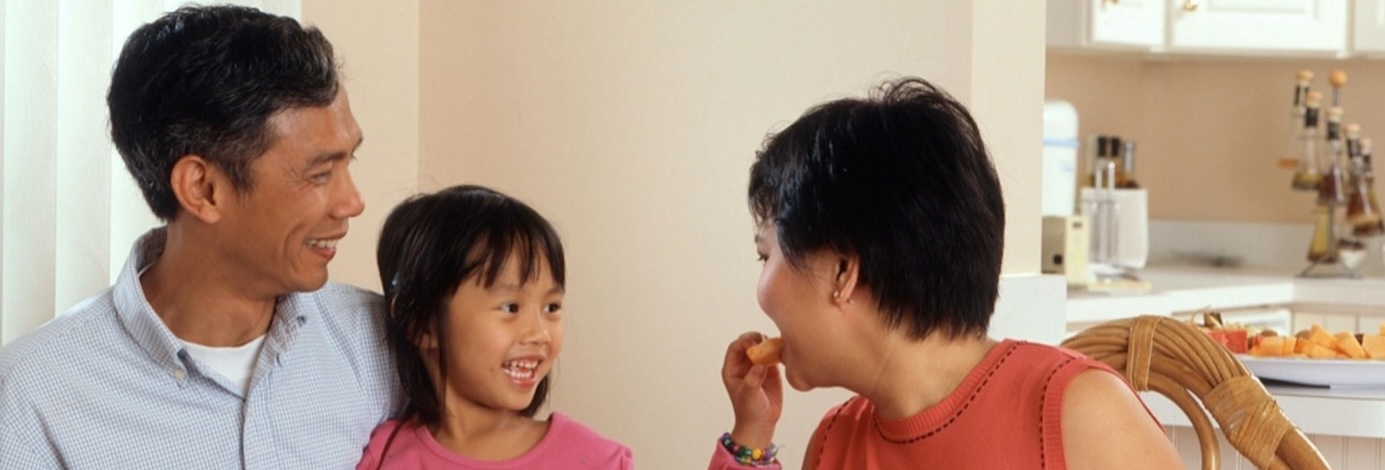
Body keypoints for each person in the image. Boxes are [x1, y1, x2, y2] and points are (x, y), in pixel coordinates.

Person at [0, 5, 399, 468]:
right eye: (320, 174)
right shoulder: (36, 393)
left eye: (348, 163)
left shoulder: (384, 344)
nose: (352, 202)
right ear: (203, 189)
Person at [711, 77, 1185, 469]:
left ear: (842, 271)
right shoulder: (834, 446)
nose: (762, 291)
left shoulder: (1078, 415)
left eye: (765, 255)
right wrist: (751, 437)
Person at [357, 185, 633, 469]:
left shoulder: (599, 461)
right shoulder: (384, 455)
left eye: (551, 307)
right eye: (510, 307)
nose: (540, 333)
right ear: (421, 324)